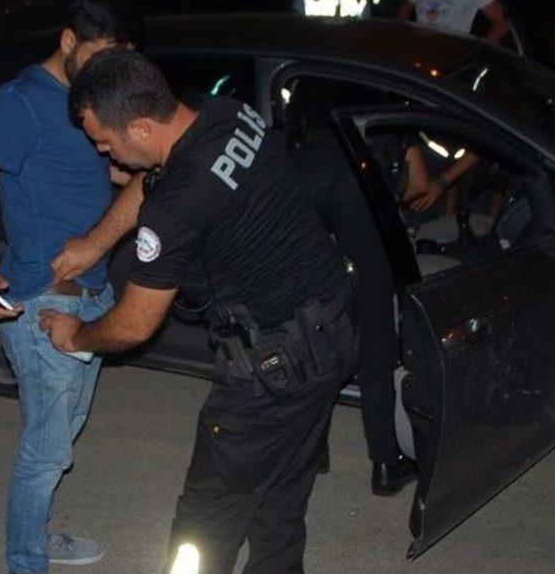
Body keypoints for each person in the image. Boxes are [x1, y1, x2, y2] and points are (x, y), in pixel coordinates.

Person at [40, 50, 358, 574]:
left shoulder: (175, 211)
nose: (102, 153)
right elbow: (156, 175)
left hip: (273, 371)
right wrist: (95, 244)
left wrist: (76, 336)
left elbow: (135, 323)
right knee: (280, 497)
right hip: (332, 331)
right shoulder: (224, 114)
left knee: (205, 523)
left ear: (140, 128)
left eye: (105, 141)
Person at [0, 0, 141, 574]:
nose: (108, 73)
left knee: (63, 434)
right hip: (40, 302)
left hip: (93, 296)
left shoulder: (93, 99)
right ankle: (25, 562)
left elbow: (105, 173)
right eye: (101, 57)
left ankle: (37, 533)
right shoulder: (22, 102)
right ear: (69, 41)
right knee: (46, 449)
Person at [290, 128, 419, 495]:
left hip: (301, 168)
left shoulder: (302, 110)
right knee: (375, 326)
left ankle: (313, 451)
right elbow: (419, 184)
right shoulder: (390, 104)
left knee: (313, 324)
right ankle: (386, 461)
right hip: (353, 178)